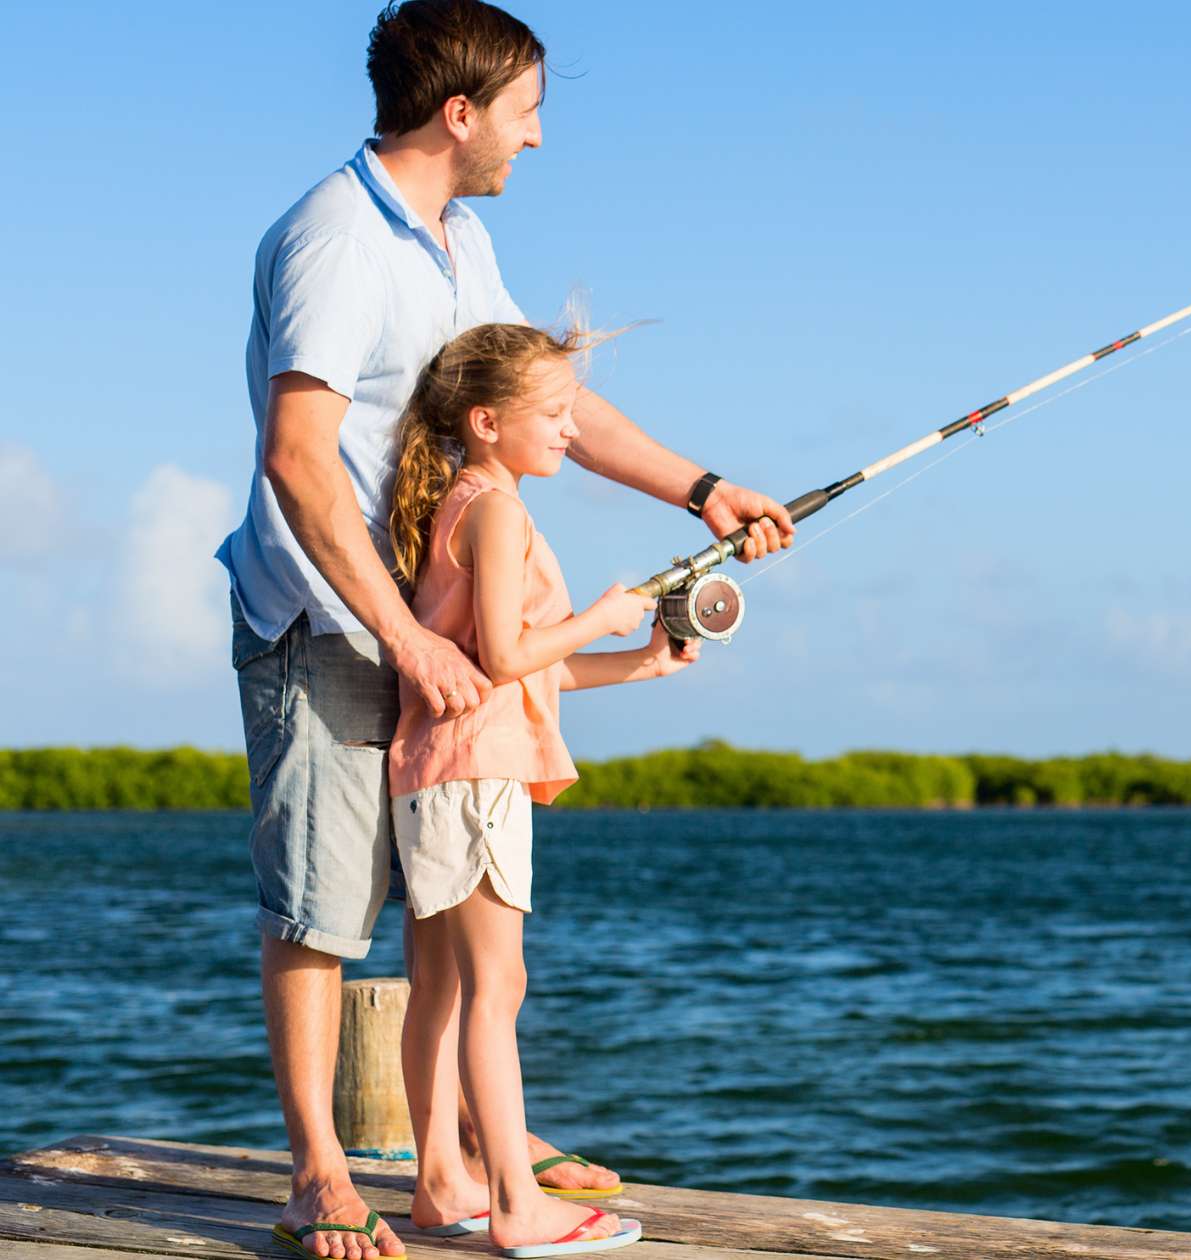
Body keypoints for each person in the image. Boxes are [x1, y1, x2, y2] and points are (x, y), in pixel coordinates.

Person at [219, 4, 792, 1256]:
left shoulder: (458, 242)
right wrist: (412, 642)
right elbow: (299, 462)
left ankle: (455, 1154)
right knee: (319, 908)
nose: (537, 139)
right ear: (460, 112)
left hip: (433, 625)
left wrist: (702, 490)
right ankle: (319, 1170)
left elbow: (551, 408)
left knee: (438, 918)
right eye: (526, 112)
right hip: (323, 617)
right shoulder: (333, 239)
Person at [385, 321, 676, 1256]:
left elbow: (501, 663)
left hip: (439, 768)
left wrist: (637, 661)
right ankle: (516, 1202)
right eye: (553, 414)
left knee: (437, 983)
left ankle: (440, 1187)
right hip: (476, 774)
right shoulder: (498, 510)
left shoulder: (466, 501)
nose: (568, 429)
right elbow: (512, 654)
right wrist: (598, 615)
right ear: (485, 421)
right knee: (495, 987)